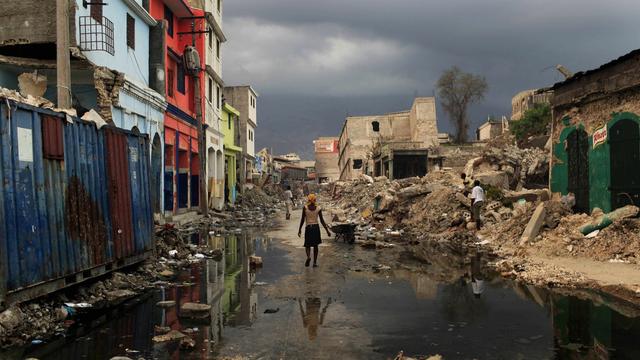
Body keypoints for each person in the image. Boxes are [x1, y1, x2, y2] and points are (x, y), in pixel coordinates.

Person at [298, 194, 331, 267]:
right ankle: (315, 263)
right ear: (315, 200)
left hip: (308, 228)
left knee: (307, 245)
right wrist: (327, 231)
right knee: (316, 246)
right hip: (316, 228)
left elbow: (302, 219)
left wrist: (300, 229)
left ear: (308, 200)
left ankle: (308, 257)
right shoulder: (318, 208)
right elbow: (322, 220)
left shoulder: (305, 208)